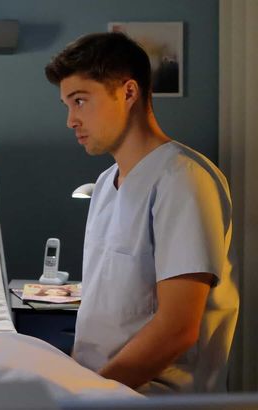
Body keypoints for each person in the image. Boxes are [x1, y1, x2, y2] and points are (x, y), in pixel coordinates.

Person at [44, 32, 238, 394]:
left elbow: (177, 330)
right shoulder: (106, 184)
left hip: (152, 395)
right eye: (67, 105)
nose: (71, 120)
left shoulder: (183, 179)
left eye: (80, 101)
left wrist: (90, 395)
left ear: (128, 92)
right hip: (101, 388)